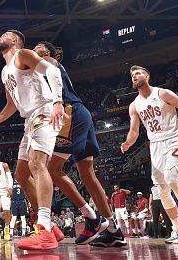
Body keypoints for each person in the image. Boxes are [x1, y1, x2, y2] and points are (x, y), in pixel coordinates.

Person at [0, 30, 66, 250]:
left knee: (37, 164)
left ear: (14, 41)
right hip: (29, 119)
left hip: (44, 110)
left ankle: (44, 228)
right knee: (21, 174)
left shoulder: (23, 54)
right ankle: (48, 225)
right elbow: (12, 105)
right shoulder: (5, 71)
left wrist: (58, 102)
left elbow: (53, 70)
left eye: (4, 35)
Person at [34, 41, 122, 247]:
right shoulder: (48, 64)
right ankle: (113, 229)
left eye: (38, 45)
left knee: (52, 169)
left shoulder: (47, 61)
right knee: (87, 174)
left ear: (47, 51)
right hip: (80, 113)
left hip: (69, 112)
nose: (33, 48)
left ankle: (91, 218)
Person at [121, 65, 178, 243]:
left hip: (174, 139)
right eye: (132, 75)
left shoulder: (163, 94)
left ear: (147, 76)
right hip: (156, 145)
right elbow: (134, 131)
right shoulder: (134, 105)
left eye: (138, 73)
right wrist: (128, 142)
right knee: (162, 190)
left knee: (172, 180)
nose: (134, 76)